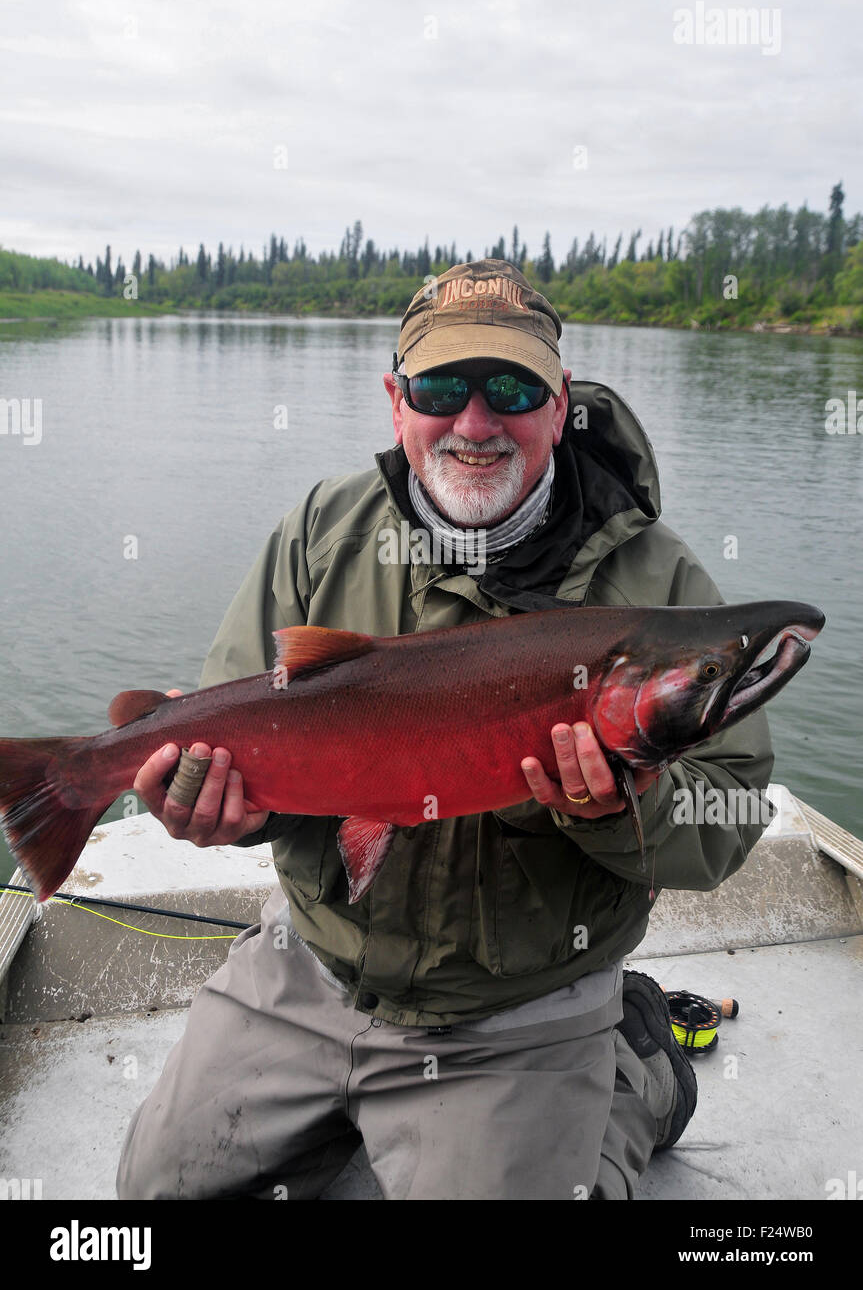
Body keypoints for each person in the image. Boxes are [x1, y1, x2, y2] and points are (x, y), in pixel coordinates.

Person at [116, 258, 773, 1201]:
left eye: (510, 388)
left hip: (520, 1009)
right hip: (311, 965)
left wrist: (619, 808)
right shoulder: (321, 530)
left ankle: (636, 1072)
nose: (474, 422)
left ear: (558, 406)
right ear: (396, 400)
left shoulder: (661, 590)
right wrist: (218, 808)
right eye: (441, 387)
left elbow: (726, 815)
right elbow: (234, 726)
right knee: (143, 1202)